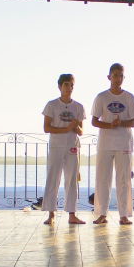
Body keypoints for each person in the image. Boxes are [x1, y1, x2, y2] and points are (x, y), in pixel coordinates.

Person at [91, 63, 134, 225]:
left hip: (124, 143)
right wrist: (110, 125)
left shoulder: (130, 97)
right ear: (109, 77)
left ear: (123, 78)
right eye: (115, 75)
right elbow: (94, 121)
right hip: (105, 144)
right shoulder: (102, 97)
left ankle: (123, 215)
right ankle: (101, 213)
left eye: (121, 75)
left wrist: (121, 123)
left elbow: (133, 122)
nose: (118, 78)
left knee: (124, 179)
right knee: (103, 179)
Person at [41, 73, 86, 225]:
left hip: (72, 146)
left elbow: (81, 131)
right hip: (56, 146)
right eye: (66, 85)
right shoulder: (52, 105)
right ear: (60, 86)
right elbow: (46, 128)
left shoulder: (78, 107)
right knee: (53, 178)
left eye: (72, 85)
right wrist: (67, 128)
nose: (69, 88)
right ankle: (51, 214)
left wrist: (76, 126)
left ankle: (72, 214)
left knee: (72, 180)